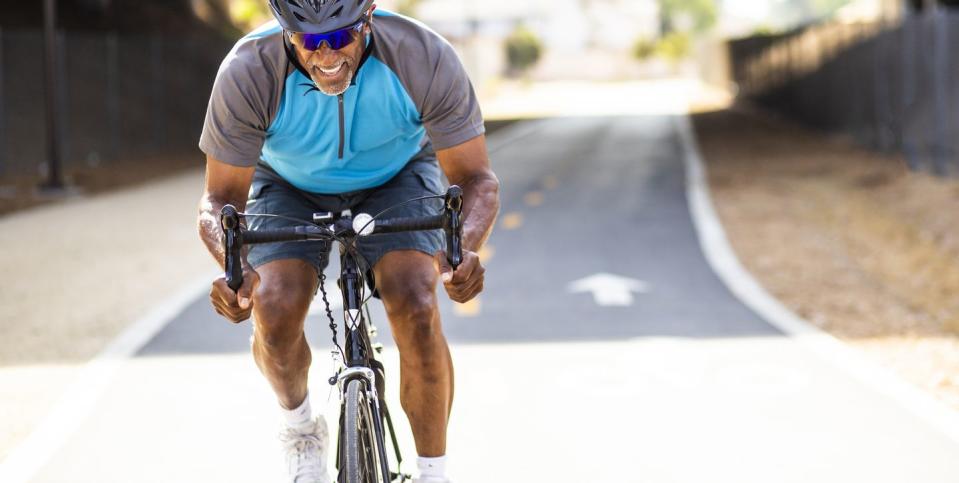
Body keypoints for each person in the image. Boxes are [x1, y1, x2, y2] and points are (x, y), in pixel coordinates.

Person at [196, 1, 499, 482]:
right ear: (286, 33)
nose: (326, 55)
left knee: (417, 302)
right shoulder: (249, 70)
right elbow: (219, 201)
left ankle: (433, 472)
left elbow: (477, 179)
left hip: (397, 177)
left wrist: (462, 251)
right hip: (288, 184)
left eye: (340, 38)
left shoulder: (421, 55)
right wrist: (235, 272)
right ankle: (300, 431)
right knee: (273, 307)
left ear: (369, 20)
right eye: (310, 41)